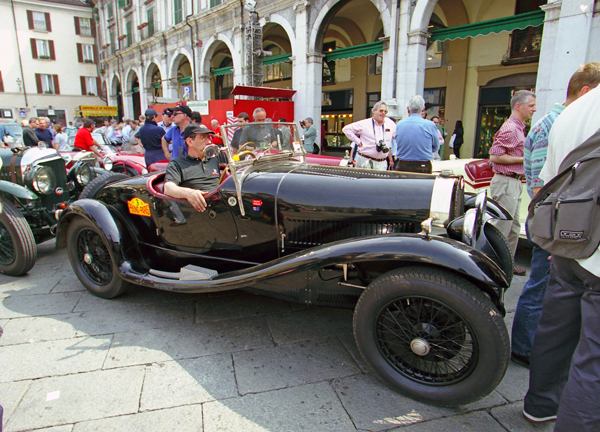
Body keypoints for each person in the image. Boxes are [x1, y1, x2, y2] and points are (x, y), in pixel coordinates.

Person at [511, 62, 600, 369]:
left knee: (548, 290)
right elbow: (541, 185)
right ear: (587, 92)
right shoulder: (556, 124)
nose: (534, 109)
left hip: (560, 222)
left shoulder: (556, 123)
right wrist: (551, 232)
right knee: (540, 288)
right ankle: (523, 344)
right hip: (558, 223)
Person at [523, 83, 600, 431]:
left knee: (555, 328)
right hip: (594, 247)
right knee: (593, 360)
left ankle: (540, 403)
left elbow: (548, 181)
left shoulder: (573, 112)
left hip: (569, 238)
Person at [489, 90, 536, 276]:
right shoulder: (510, 128)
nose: (534, 109)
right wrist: (523, 160)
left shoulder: (517, 128)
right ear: (519, 106)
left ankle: (505, 263)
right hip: (507, 182)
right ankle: (494, 265)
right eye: (531, 105)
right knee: (503, 227)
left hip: (512, 183)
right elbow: (495, 156)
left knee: (514, 227)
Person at [164, 123, 219, 212]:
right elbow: (168, 188)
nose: (208, 142)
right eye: (203, 138)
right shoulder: (177, 164)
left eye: (208, 137)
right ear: (190, 142)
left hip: (221, 205)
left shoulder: (214, 158)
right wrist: (189, 193)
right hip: (200, 210)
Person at [342, 101, 396, 170]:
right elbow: (346, 129)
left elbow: (398, 136)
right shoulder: (365, 123)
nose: (383, 113)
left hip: (381, 163)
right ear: (374, 111)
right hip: (365, 161)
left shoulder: (390, 123)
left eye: (385, 111)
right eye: (381, 111)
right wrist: (358, 141)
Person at [393, 96, 439, 174]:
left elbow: (398, 143)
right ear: (423, 109)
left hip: (403, 164)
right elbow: (436, 147)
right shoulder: (430, 125)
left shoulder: (400, 124)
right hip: (423, 164)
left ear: (408, 109)